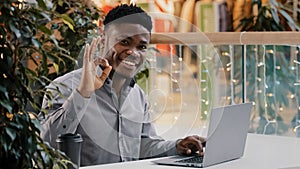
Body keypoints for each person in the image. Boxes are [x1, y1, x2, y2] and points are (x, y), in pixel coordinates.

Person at [40, 3, 205, 167]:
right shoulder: (64, 86)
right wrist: (82, 94)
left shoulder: (138, 96)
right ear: (104, 40)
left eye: (141, 47)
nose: (133, 52)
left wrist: (177, 146)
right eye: (124, 42)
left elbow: (142, 146)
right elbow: (46, 141)